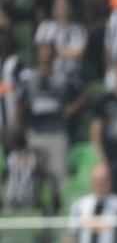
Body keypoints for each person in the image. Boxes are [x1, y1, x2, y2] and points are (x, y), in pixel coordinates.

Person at [21, 43, 86, 194]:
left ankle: (59, 212)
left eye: (49, 52)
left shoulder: (64, 76)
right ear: (37, 54)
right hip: (35, 133)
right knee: (34, 176)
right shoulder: (28, 77)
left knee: (59, 175)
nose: (46, 55)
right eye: (42, 51)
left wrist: (71, 109)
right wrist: (24, 130)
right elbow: (21, 103)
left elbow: (82, 95)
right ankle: (36, 207)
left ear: (54, 55)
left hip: (58, 133)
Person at [35, 0, 88, 82]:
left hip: (72, 77)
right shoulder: (45, 26)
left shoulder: (79, 30)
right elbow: (42, 51)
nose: (61, 8)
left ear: (70, 8)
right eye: (58, 5)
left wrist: (54, 51)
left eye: (64, 5)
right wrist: (65, 52)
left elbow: (79, 53)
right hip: (47, 75)